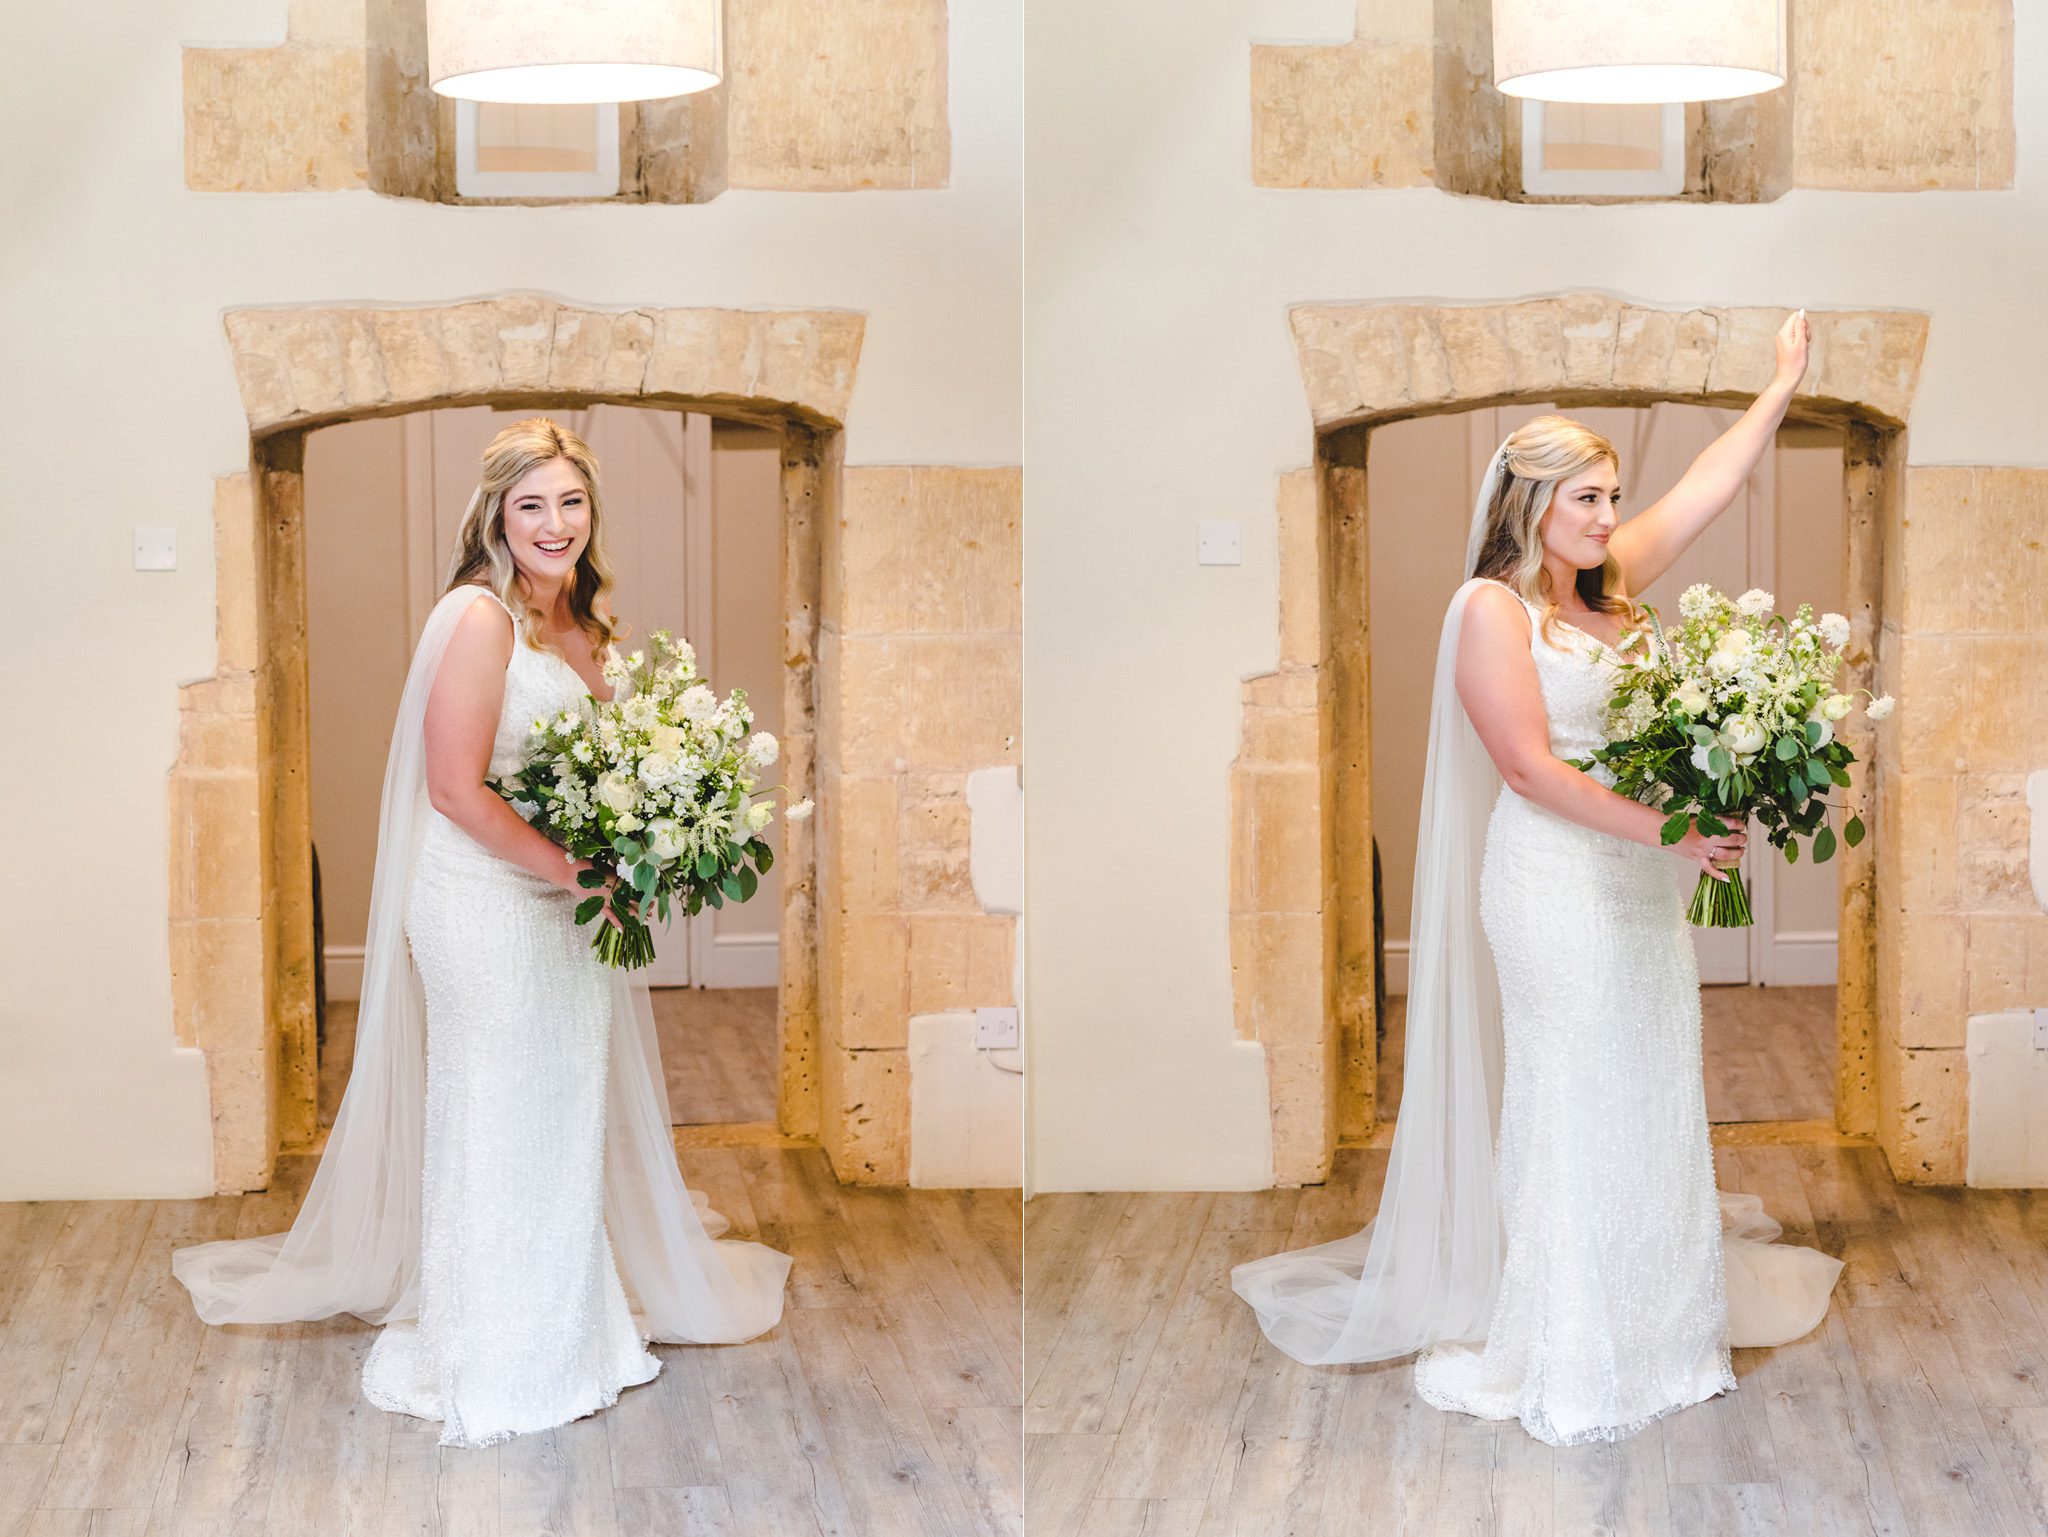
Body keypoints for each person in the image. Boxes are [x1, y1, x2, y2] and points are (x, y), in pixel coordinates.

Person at [1230, 311, 1843, 1447]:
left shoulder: (1610, 589)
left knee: (1648, 1082)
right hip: (1555, 883)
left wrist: (1776, 386)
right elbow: (1526, 765)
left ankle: (1661, 1332)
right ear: (1531, 505)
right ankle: (1566, 1349)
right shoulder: (1490, 610)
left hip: (1637, 884)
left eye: (1612, 498)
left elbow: (1708, 488)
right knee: (1568, 1095)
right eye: (1587, 500)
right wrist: (1666, 831)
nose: (1608, 518)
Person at [171, 417, 790, 1449]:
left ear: (592, 512)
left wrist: (646, 845)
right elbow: (454, 791)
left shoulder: (585, 624)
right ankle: (493, 1352)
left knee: (560, 1106)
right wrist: (578, 871)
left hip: (568, 900)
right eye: (531, 503)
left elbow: (608, 773)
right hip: (481, 903)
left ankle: (572, 1330)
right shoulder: (475, 619)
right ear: (496, 516)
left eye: (571, 501)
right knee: (497, 1108)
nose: (554, 522)